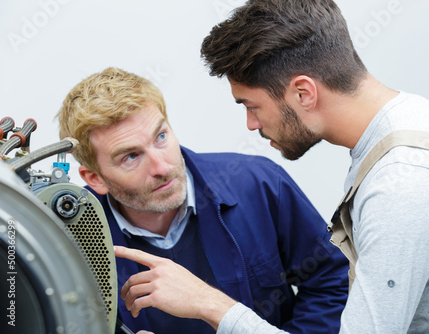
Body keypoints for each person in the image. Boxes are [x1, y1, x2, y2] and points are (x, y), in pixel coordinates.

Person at [197, 0, 429, 333]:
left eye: (252, 106)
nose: (251, 125)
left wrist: (213, 306)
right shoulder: (415, 116)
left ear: (303, 93)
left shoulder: (404, 185)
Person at [56, 67, 349, 334]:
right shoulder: (68, 241)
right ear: (95, 178)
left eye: (160, 137)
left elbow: (333, 284)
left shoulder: (258, 184)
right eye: (131, 156)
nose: (162, 167)